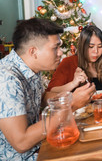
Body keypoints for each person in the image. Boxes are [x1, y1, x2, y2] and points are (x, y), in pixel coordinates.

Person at [0, 18, 95, 160]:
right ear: (33, 52)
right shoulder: (7, 79)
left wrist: (70, 97)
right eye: (55, 47)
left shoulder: (31, 68)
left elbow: (41, 98)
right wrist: (71, 105)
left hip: (40, 146)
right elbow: (21, 142)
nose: (61, 53)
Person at [47, 25, 102, 92]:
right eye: (91, 46)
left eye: (100, 47)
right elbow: (51, 91)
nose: (96, 51)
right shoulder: (68, 63)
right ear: (83, 46)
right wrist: (73, 83)